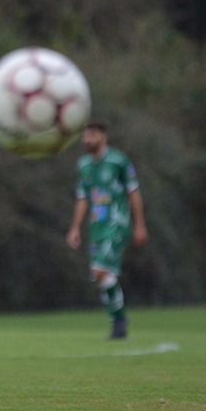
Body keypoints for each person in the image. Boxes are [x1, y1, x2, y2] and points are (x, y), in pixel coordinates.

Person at [66, 120, 148, 340]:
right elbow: (83, 198)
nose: (86, 139)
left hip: (116, 222)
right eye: (84, 135)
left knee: (100, 271)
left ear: (103, 136)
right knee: (103, 277)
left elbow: (133, 193)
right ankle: (118, 324)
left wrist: (139, 225)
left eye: (91, 135)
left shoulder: (118, 161)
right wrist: (75, 228)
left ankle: (119, 321)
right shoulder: (83, 165)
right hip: (97, 226)